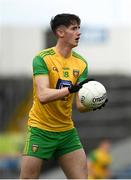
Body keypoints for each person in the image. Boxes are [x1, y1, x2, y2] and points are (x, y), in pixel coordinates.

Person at [20, 13, 107, 179]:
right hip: (40, 129)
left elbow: (80, 106)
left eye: (79, 28)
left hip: (66, 132)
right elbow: (43, 95)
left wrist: (94, 103)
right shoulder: (42, 59)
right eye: (74, 28)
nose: (79, 32)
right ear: (60, 32)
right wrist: (71, 90)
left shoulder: (81, 63)